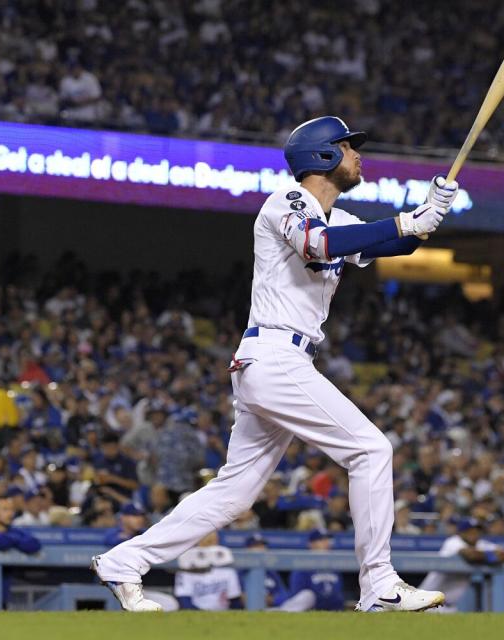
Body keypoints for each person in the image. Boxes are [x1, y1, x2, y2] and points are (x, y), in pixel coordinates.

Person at [92, 115, 459, 613]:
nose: (358, 155)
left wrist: (429, 213)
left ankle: (123, 562)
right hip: (274, 356)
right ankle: (379, 584)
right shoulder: (286, 203)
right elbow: (319, 244)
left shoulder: (338, 218)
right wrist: (402, 222)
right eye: (349, 148)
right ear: (324, 155)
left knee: (233, 494)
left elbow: (393, 241)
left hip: (275, 361)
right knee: (371, 451)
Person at [418, 518, 504, 612]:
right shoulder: (453, 542)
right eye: (470, 531)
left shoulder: (479, 544)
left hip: (450, 607)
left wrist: (484, 555)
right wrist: (489, 556)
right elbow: (470, 555)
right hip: (425, 602)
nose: (474, 534)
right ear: (461, 533)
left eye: (477, 531)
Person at [173, 533, 242, 611]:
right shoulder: (187, 566)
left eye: (212, 539)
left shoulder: (227, 566)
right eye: (205, 538)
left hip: (223, 614)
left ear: (217, 540)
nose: (208, 540)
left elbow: (235, 601)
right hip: (197, 615)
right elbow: (185, 601)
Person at [279, 529, 344, 612]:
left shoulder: (334, 566)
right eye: (321, 540)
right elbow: (298, 595)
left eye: (328, 539)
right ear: (311, 544)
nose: (326, 543)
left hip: (333, 611)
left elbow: (338, 593)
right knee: (307, 595)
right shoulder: (303, 565)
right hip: (309, 609)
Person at [242, 533, 289, 607]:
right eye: (256, 546)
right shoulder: (240, 571)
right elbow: (237, 598)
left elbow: (284, 595)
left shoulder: (270, 571)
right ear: (247, 549)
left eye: (263, 545)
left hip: (272, 609)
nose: (261, 548)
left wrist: (273, 600)